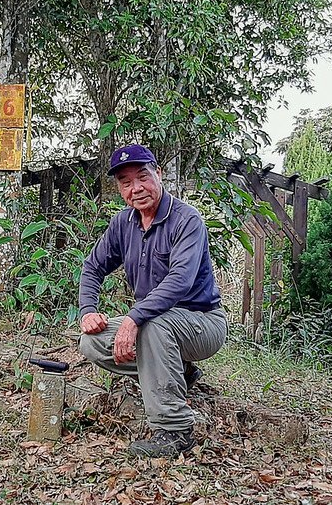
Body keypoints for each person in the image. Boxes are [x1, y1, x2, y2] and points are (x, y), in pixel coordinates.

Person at [77, 143, 228, 457]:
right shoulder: (123, 223)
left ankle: (175, 431)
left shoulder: (187, 220)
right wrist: (88, 310)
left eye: (142, 177)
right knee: (91, 341)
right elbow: (93, 266)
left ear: (159, 174)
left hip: (203, 322)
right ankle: (176, 373)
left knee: (153, 325)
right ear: (120, 189)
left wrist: (133, 319)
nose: (136, 188)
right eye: (126, 183)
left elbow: (179, 281)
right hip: (157, 324)